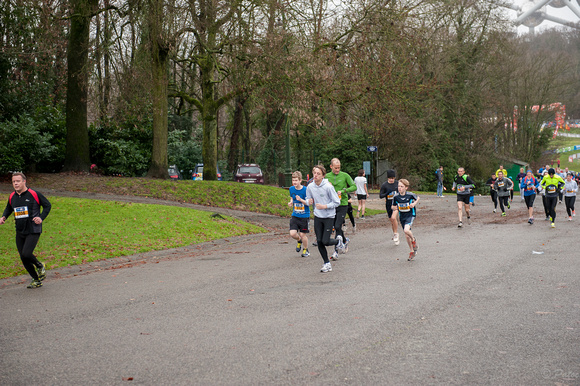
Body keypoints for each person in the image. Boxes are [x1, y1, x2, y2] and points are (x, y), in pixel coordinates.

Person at [1, 172, 52, 288]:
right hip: (20, 230)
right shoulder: (12, 196)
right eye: (14, 181)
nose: (15, 183)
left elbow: (47, 205)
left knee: (27, 253)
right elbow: (9, 208)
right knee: (23, 257)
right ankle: (36, 280)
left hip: (33, 229)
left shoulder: (34, 194)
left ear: (24, 181)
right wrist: (4, 217)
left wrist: (41, 217)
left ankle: (39, 266)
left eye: (18, 181)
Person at [306, 165, 345, 273]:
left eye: (318, 174)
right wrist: (309, 201)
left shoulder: (328, 186)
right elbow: (308, 197)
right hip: (318, 216)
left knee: (326, 241)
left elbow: (337, 202)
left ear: (323, 176)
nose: (315, 175)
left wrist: (325, 206)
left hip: (328, 216)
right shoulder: (310, 186)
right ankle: (326, 263)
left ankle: (338, 241)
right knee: (319, 241)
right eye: (314, 173)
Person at [326, 158, 356, 260]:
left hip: (342, 204)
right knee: (336, 226)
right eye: (336, 168)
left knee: (338, 226)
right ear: (331, 167)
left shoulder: (345, 175)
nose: (338, 170)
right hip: (331, 205)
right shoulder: (327, 176)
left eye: (339, 168)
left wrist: (344, 191)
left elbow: (354, 186)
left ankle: (335, 251)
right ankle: (344, 240)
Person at [391, 179, 420, 261]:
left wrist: (414, 204)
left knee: (406, 230)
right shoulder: (396, 197)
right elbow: (392, 206)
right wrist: (394, 207)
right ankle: (412, 251)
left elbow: (418, 198)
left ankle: (414, 240)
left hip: (410, 215)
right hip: (402, 216)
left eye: (401, 186)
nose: (399, 188)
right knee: (407, 236)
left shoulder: (410, 195)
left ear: (406, 188)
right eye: (398, 186)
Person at [288, 171, 310, 257]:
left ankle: (305, 249)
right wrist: (291, 202)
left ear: (300, 180)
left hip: (304, 216)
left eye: (296, 180)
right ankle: (299, 241)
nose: (294, 182)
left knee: (302, 234)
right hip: (295, 215)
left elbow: (308, 203)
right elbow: (292, 198)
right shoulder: (291, 189)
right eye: (293, 180)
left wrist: (301, 200)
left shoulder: (305, 190)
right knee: (292, 233)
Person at [379, 169, 400, 245]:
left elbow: (402, 191)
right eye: (390, 178)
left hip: (396, 204)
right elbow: (380, 196)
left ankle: (396, 234)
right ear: (387, 178)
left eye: (393, 178)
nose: (391, 180)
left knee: (394, 218)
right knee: (392, 220)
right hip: (388, 204)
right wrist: (386, 194)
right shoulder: (385, 185)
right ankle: (395, 233)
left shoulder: (397, 183)